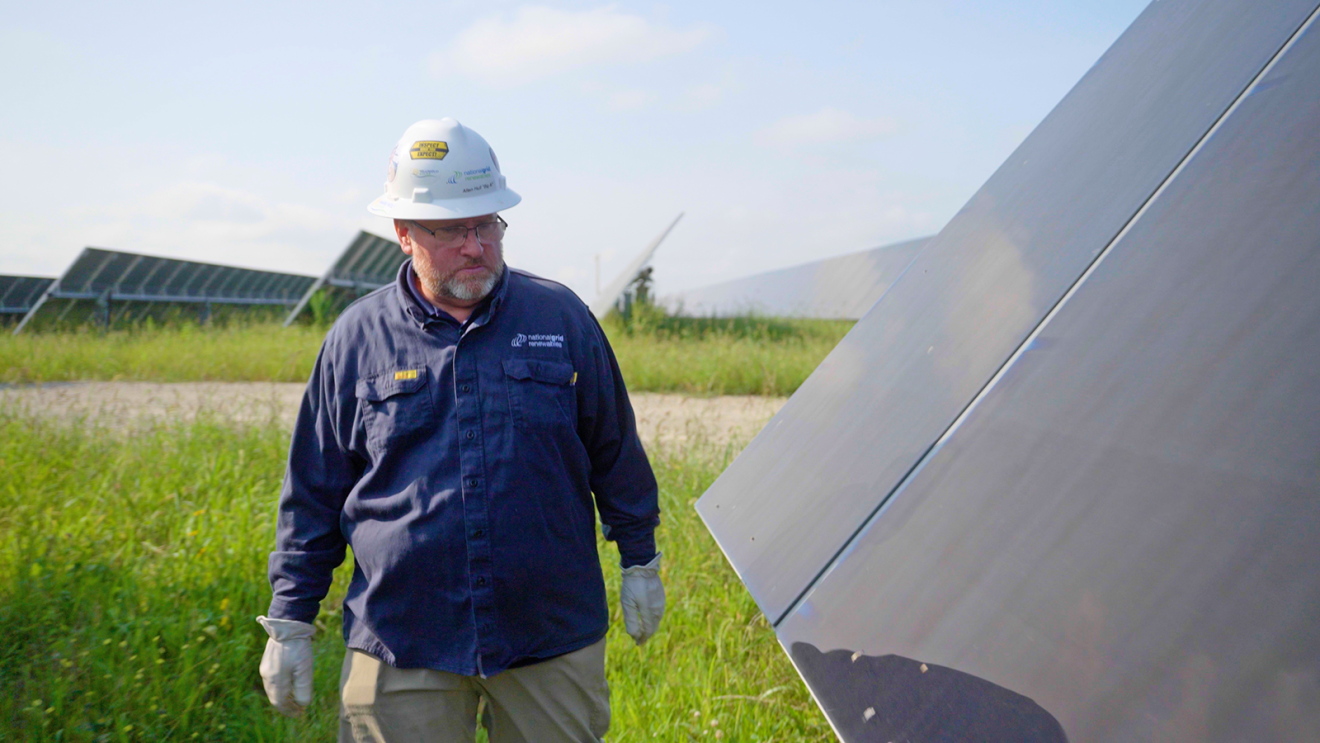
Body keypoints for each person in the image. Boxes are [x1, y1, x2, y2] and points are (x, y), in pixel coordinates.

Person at [255, 118, 664, 742]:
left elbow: (614, 450)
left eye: (486, 225)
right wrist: (290, 618)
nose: (475, 246)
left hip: (547, 637)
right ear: (403, 234)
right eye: (450, 231)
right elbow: (313, 491)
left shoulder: (561, 318)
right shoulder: (356, 339)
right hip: (401, 642)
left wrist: (641, 558)